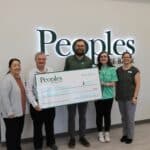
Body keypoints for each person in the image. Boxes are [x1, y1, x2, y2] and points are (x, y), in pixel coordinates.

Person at [64, 39, 92, 148]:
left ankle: (82, 136)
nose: (80, 47)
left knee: (82, 116)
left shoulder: (89, 61)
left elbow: (91, 77)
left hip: (83, 94)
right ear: (75, 47)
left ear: (84, 48)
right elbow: (65, 75)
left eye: (82, 46)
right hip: (71, 94)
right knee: (71, 116)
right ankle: (72, 137)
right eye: (78, 45)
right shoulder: (69, 60)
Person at [26, 52, 58, 150]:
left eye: (43, 59)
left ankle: (51, 143)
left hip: (49, 103)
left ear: (45, 60)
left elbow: (55, 85)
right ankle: (38, 146)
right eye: (39, 59)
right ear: (35, 60)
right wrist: (35, 104)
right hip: (37, 103)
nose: (41, 61)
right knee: (37, 127)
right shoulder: (31, 73)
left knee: (50, 124)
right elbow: (28, 90)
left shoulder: (51, 70)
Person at [0, 58, 26, 150]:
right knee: (12, 136)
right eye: (14, 65)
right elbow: (4, 97)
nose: (17, 67)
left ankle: (17, 148)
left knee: (18, 133)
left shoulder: (20, 78)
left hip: (20, 112)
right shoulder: (7, 79)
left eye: (18, 65)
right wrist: (9, 112)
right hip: (11, 115)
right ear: (10, 68)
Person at [116, 51, 140, 144]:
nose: (126, 58)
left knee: (130, 118)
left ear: (130, 59)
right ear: (122, 59)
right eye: (124, 57)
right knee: (123, 118)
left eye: (128, 57)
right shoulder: (118, 70)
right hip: (120, 98)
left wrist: (135, 97)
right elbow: (115, 83)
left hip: (130, 98)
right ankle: (124, 134)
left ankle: (130, 136)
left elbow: (138, 85)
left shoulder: (135, 70)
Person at [95, 52, 118, 143]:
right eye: (101, 57)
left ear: (108, 58)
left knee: (107, 115)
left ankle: (107, 133)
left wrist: (103, 84)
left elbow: (114, 83)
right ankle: (100, 133)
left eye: (105, 56)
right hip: (98, 97)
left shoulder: (112, 69)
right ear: (99, 58)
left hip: (109, 97)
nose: (103, 58)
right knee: (99, 116)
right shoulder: (95, 69)